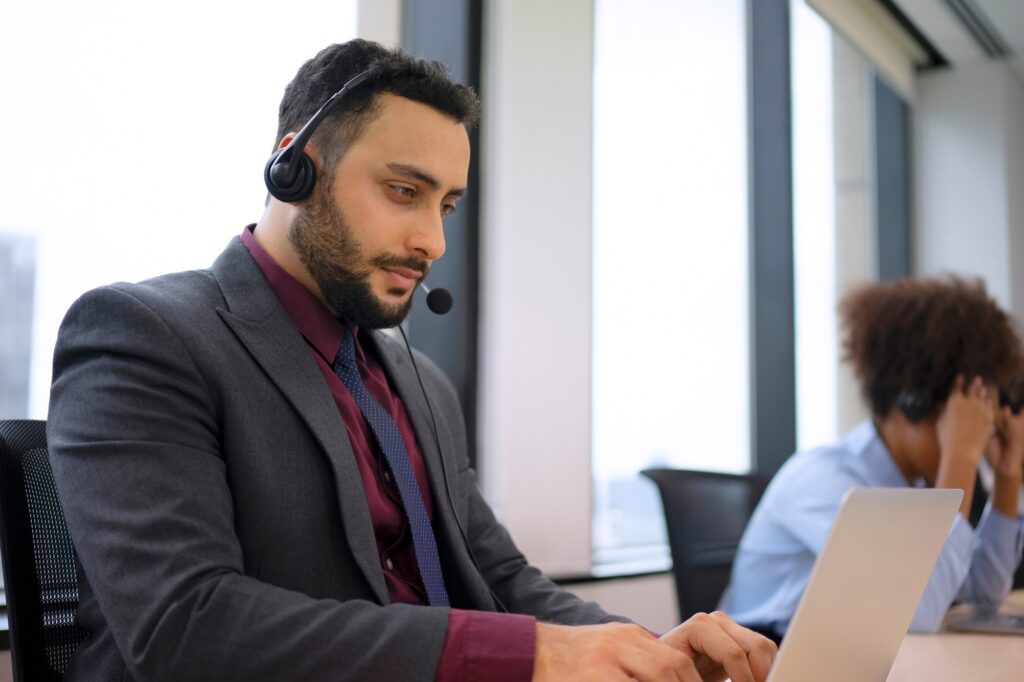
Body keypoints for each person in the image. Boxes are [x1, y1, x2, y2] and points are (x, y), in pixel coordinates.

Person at [47, 40, 775, 681]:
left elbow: (498, 575)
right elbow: (186, 626)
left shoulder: (416, 383)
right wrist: (530, 656)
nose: (433, 242)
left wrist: (650, 652)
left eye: (447, 207)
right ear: (296, 167)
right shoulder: (145, 335)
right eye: (404, 192)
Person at [719, 276, 1024, 639]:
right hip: (763, 664)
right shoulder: (825, 480)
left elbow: (983, 597)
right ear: (912, 400)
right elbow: (917, 610)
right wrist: (960, 457)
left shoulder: (909, 487)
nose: (978, 435)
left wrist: (1007, 477)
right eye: (967, 421)